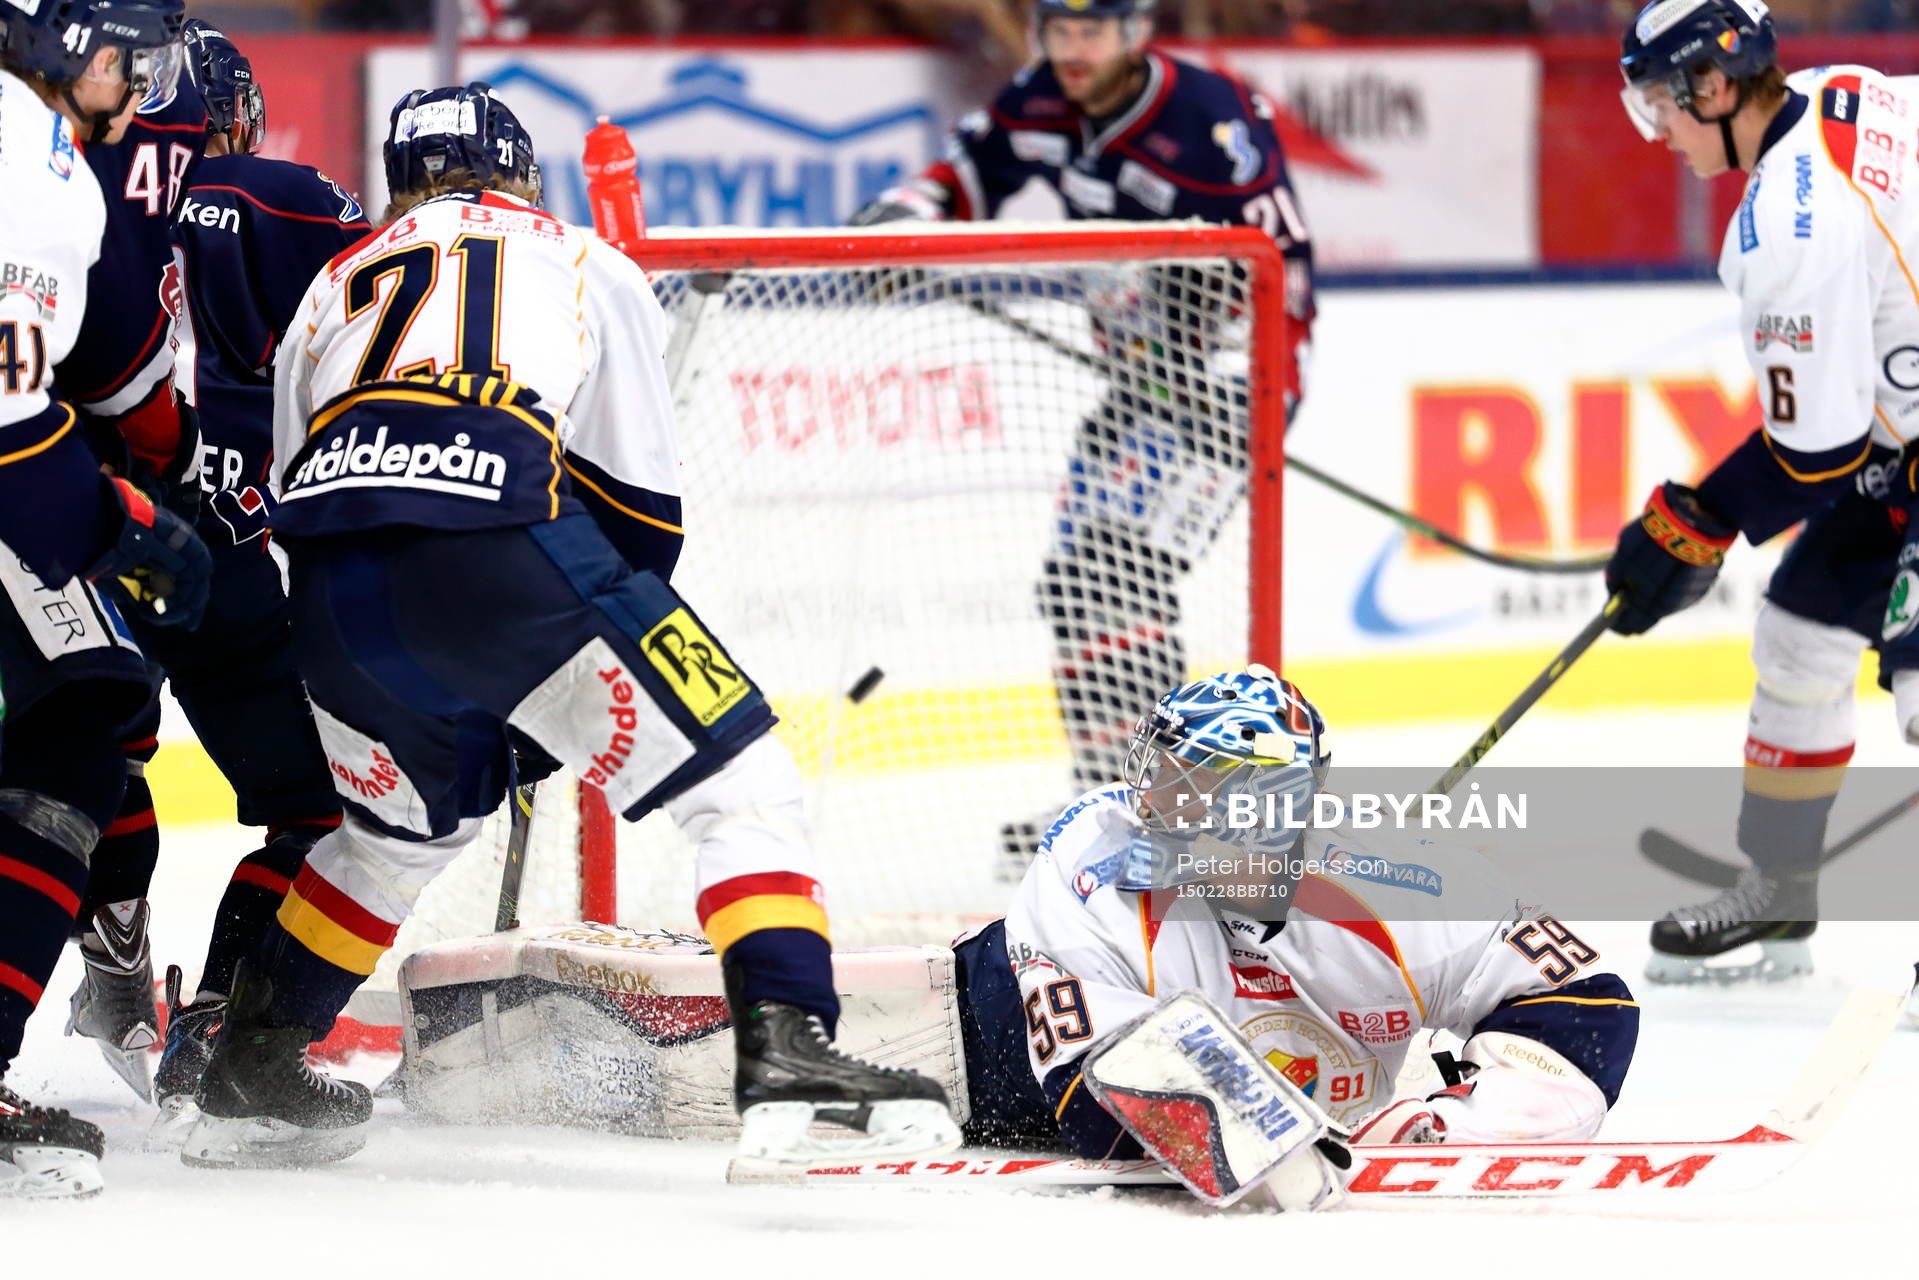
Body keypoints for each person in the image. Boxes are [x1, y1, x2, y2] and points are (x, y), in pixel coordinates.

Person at [180, 83, 958, 1170]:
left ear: (399, 185)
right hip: (496, 541)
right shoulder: (581, 258)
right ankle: (791, 1050)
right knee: (741, 783)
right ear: (521, 171)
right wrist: (556, 682)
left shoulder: (330, 283)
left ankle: (252, 1067)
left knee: (398, 834)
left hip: (331, 589)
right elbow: (640, 515)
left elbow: (285, 484)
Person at [851, 0, 1315, 874]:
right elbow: (962, 176)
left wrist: (1228, 369)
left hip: (1229, 382)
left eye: (1090, 31)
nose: (1071, 50)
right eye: (1057, 30)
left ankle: (1183, 806)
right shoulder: (1038, 100)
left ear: (1135, 33)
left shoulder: (1208, 119)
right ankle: (1118, 795)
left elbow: (1267, 261)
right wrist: (906, 219)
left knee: (1123, 571)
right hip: (1138, 389)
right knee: (1076, 585)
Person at [950, 667, 1640, 1160]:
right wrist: (1277, 1144)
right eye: (1153, 772)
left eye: (1182, 782)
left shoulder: (1406, 884)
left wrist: (1460, 1129)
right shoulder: (1092, 854)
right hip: (975, 1056)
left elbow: (1588, 1008)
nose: (1148, 804)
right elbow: (1096, 1099)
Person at [1605, 0, 1919, 982]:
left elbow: (1813, 455)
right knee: (1799, 636)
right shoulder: (1844, 93)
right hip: (1901, 441)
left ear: (1713, 84)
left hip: (1885, 441)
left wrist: (1691, 522)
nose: (1654, 128)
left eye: (1660, 100)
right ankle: (1780, 888)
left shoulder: (1787, 227)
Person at [142, 20, 370, 1140]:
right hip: (227, 558)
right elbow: (400, 294)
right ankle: (218, 1038)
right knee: (315, 814)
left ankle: (111, 952)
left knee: (60, 780)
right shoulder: (274, 190)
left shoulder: (70, 183)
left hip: (86, 536)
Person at [0, 0, 209, 1199]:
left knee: (88, 696)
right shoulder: (33, 163)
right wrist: (121, 521)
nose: (139, 77)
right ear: (65, 41)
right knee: (88, 715)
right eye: (127, 51)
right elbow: (21, 416)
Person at [55, 14, 210, 1099]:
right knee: (85, 734)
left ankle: (112, 955)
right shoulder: (81, 142)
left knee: (94, 732)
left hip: (70, 464)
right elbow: (118, 360)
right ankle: (110, 959)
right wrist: (178, 453)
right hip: (69, 469)